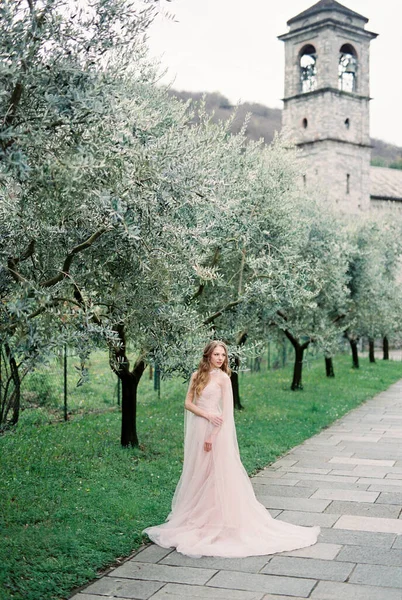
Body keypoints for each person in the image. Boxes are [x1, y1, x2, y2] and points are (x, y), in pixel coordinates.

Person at [143, 340, 320, 557]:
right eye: (216, 354)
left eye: (223, 355)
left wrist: (212, 435)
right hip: (200, 426)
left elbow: (227, 413)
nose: (220, 358)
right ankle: (196, 515)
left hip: (215, 432)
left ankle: (218, 518)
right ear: (208, 355)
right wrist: (206, 415)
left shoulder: (224, 379)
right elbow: (188, 403)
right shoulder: (196, 376)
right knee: (199, 472)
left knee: (216, 474)